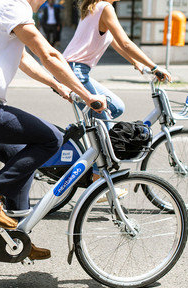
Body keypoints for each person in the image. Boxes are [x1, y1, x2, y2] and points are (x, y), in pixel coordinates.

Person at [0, 0, 106, 260]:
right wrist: (86, 94)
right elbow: (48, 54)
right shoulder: (13, 7)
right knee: (51, 139)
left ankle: (16, 236)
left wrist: (56, 84)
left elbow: (21, 57)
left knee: (21, 160)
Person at [63, 0, 171, 182]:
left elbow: (115, 43)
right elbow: (126, 42)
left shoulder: (94, 7)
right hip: (75, 71)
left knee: (115, 108)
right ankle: (99, 177)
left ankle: (97, 157)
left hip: (73, 69)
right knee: (106, 114)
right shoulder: (105, 8)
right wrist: (154, 67)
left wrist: (137, 63)